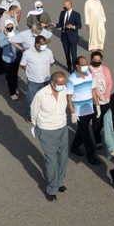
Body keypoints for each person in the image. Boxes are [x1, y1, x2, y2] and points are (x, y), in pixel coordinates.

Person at [31, 71, 71, 201]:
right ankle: (51, 188)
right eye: (59, 84)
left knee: (63, 158)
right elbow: (34, 113)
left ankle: (60, 181)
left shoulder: (64, 90)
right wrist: (39, 127)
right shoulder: (41, 95)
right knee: (51, 161)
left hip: (62, 128)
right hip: (47, 130)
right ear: (52, 82)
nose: (62, 86)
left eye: (64, 83)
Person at [67, 57, 101, 166]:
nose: (86, 66)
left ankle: (74, 146)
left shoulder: (89, 75)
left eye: (87, 64)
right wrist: (72, 112)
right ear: (77, 66)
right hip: (79, 112)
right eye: (84, 64)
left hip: (90, 108)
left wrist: (97, 105)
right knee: (86, 133)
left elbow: (93, 90)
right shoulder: (71, 79)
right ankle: (91, 155)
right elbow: (69, 97)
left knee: (83, 129)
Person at [21, 35, 54, 121]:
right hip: (33, 81)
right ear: (36, 44)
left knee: (45, 99)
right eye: (42, 44)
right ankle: (30, 116)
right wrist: (30, 71)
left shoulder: (49, 52)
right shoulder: (27, 53)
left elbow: (51, 63)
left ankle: (43, 115)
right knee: (31, 100)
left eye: (45, 44)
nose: (44, 46)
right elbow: (23, 64)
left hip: (46, 81)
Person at [89, 50, 113, 143]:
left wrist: (106, 94)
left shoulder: (105, 69)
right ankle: (97, 139)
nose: (97, 61)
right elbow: (91, 85)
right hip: (95, 99)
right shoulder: (89, 70)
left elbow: (109, 82)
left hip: (106, 99)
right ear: (91, 59)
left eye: (98, 59)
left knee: (106, 118)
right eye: (95, 59)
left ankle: (100, 131)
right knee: (96, 120)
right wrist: (99, 95)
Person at [0, 19, 23, 100]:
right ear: (5, 27)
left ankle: (14, 88)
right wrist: (7, 37)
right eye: (8, 26)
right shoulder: (1, 34)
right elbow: (1, 45)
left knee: (15, 74)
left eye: (11, 26)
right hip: (8, 58)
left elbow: (21, 42)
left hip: (16, 56)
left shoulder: (16, 32)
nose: (10, 27)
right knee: (10, 76)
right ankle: (12, 92)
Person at [57, 0, 82, 72]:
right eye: (63, 5)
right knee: (67, 53)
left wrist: (72, 27)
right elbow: (60, 24)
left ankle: (74, 68)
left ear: (70, 5)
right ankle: (69, 66)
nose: (63, 6)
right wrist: (55, 25)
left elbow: (79, 26)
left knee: (74, 54)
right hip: (64, 36)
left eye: (65, 5)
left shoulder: (76, 14)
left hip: (73, 37)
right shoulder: (62, 13)